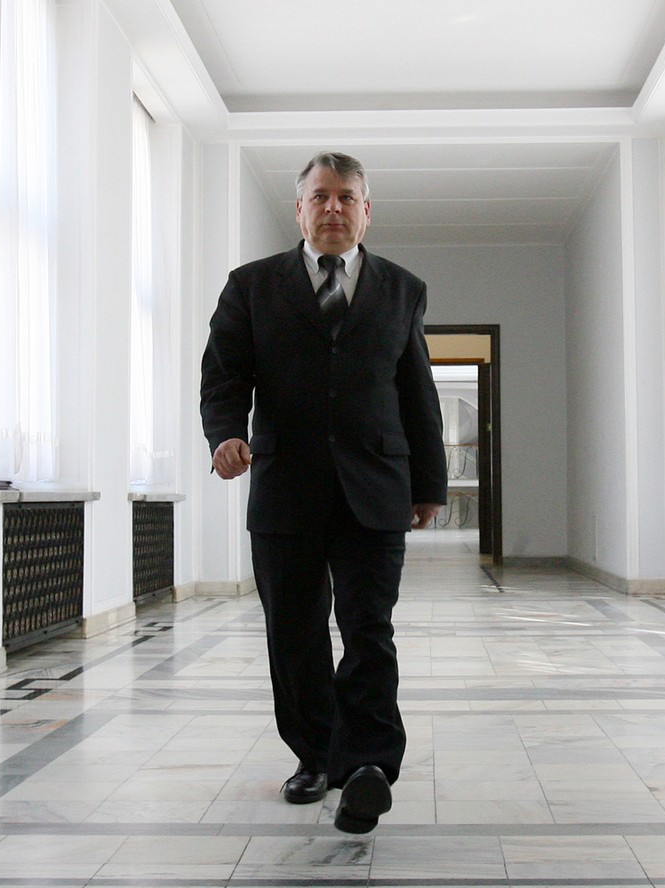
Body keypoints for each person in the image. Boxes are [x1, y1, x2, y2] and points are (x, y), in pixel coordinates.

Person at [200, 151, 447, 834]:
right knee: (295, 634)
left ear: (367, 211)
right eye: (320, 196)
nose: (333, 207)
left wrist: (428, 482)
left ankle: (368, 765)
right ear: (299, 208)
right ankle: (316, 755)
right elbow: (225, 375)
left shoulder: (402, 289)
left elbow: (416, 391)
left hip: (376, 488)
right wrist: (225, 435)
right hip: (286, 489)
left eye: (346, 197)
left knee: (369, 628)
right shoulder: (251, 287)